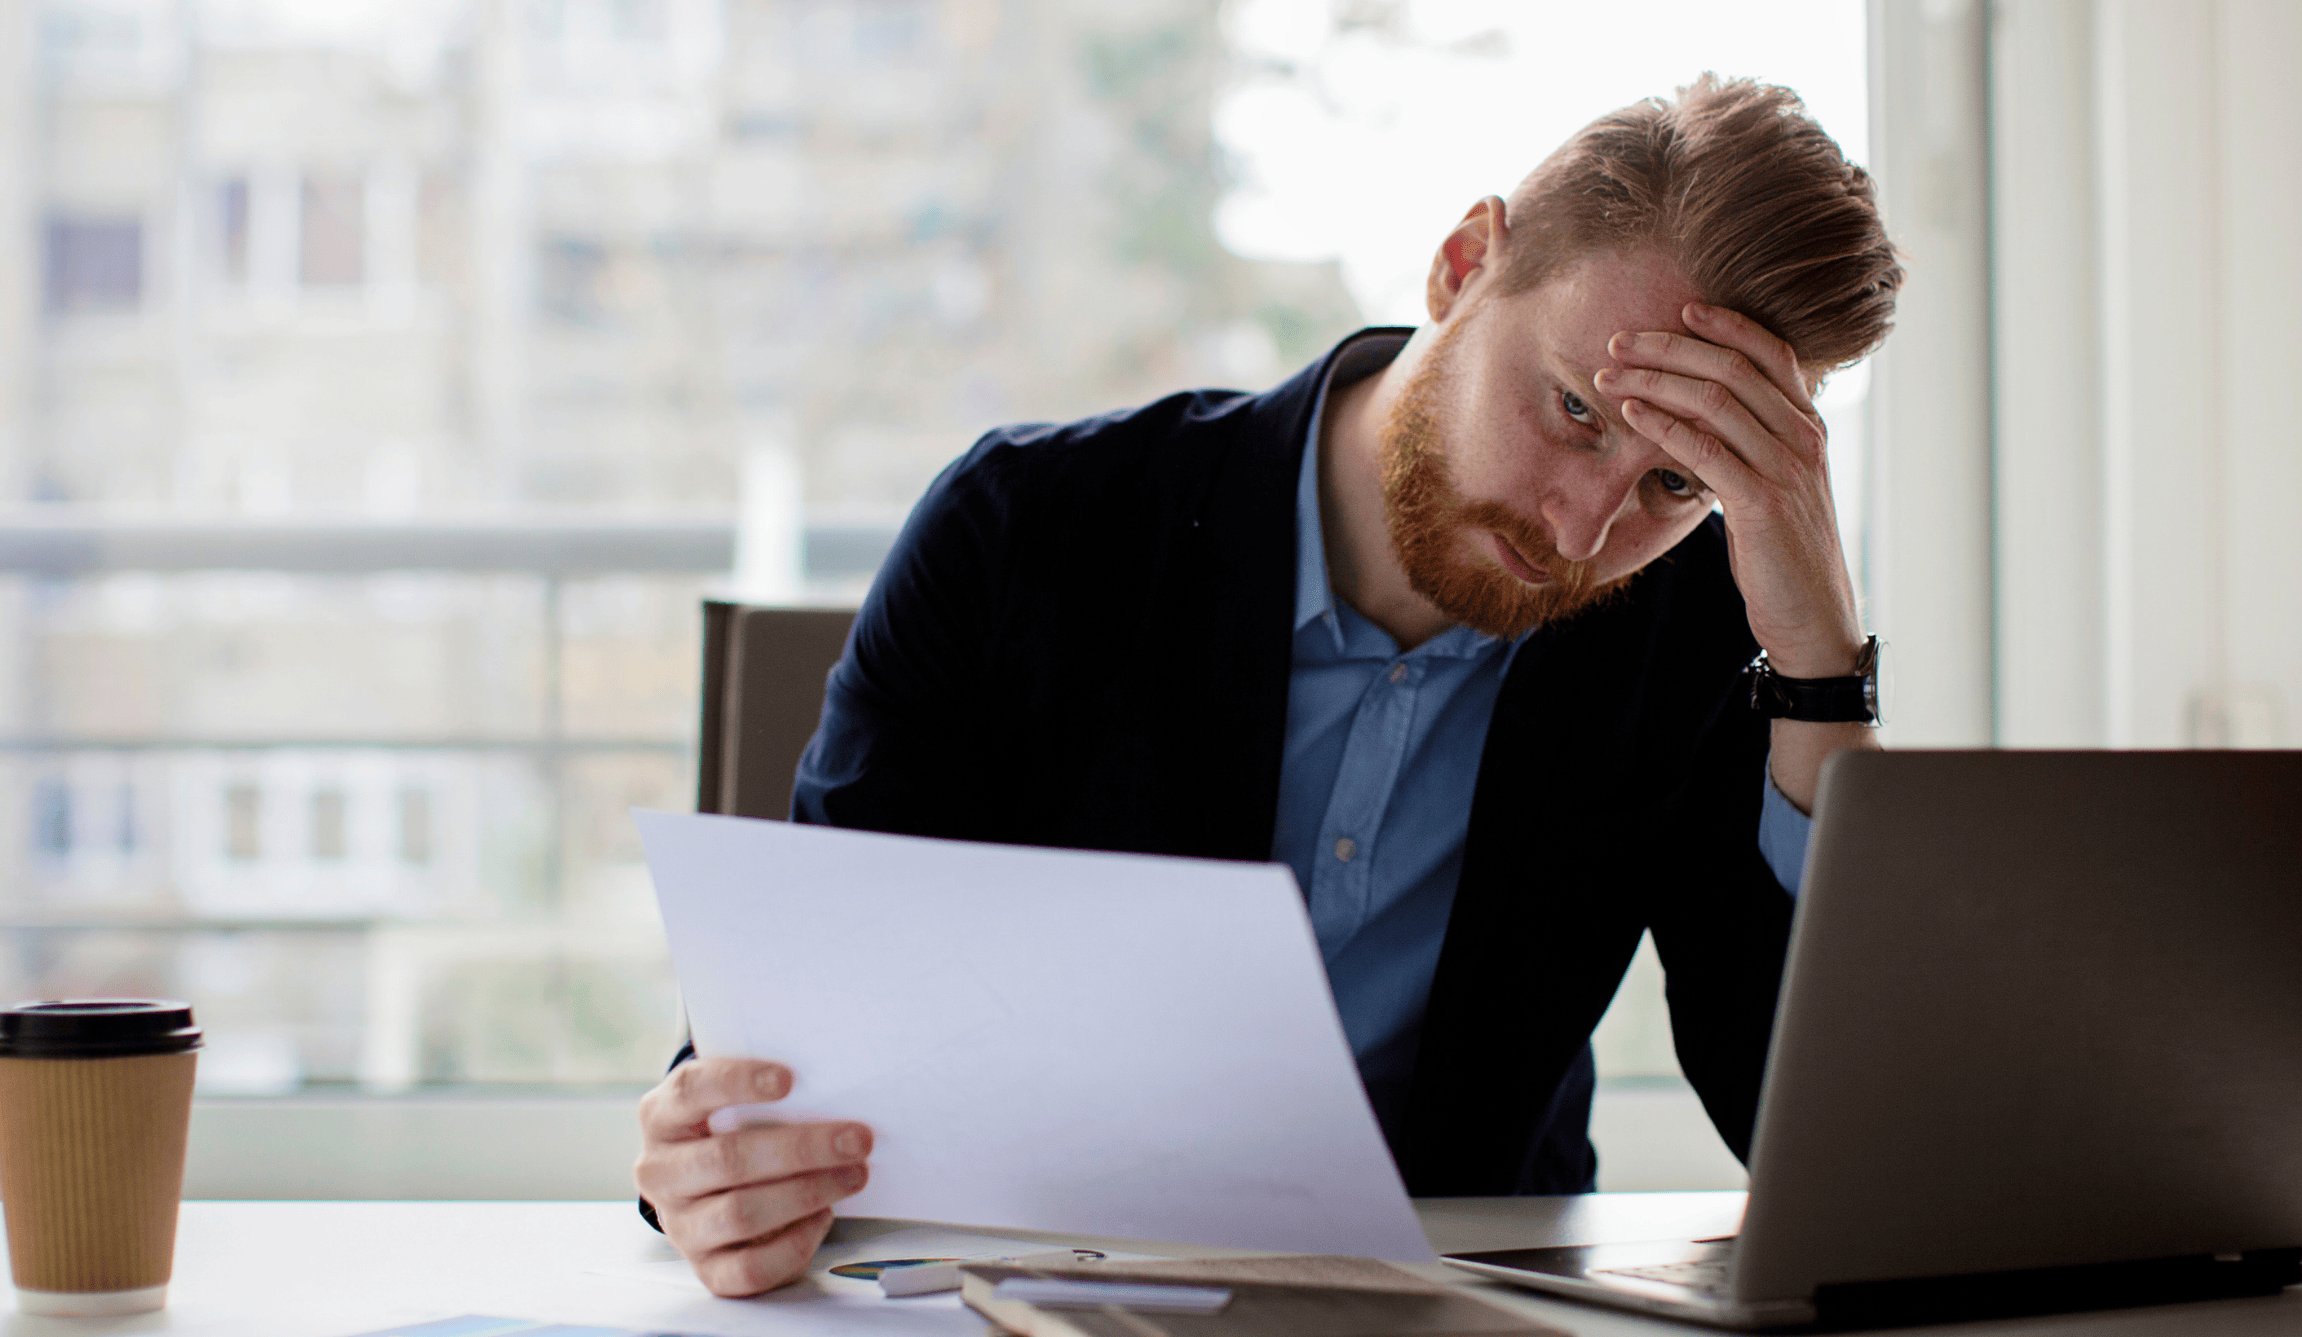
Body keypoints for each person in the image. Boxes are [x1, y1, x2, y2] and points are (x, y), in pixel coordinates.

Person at [633, 74, 1902, 1297]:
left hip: (1454, 1303)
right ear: (1463, 268)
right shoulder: (1025, 532)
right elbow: (805, 1034)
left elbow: (1836, 1157)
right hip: (1026, 1280)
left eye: (1675, 483)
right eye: (1573, 407)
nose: (1582, 532)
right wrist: (718, 1159)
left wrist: (1818, 669)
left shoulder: (1684, 633)